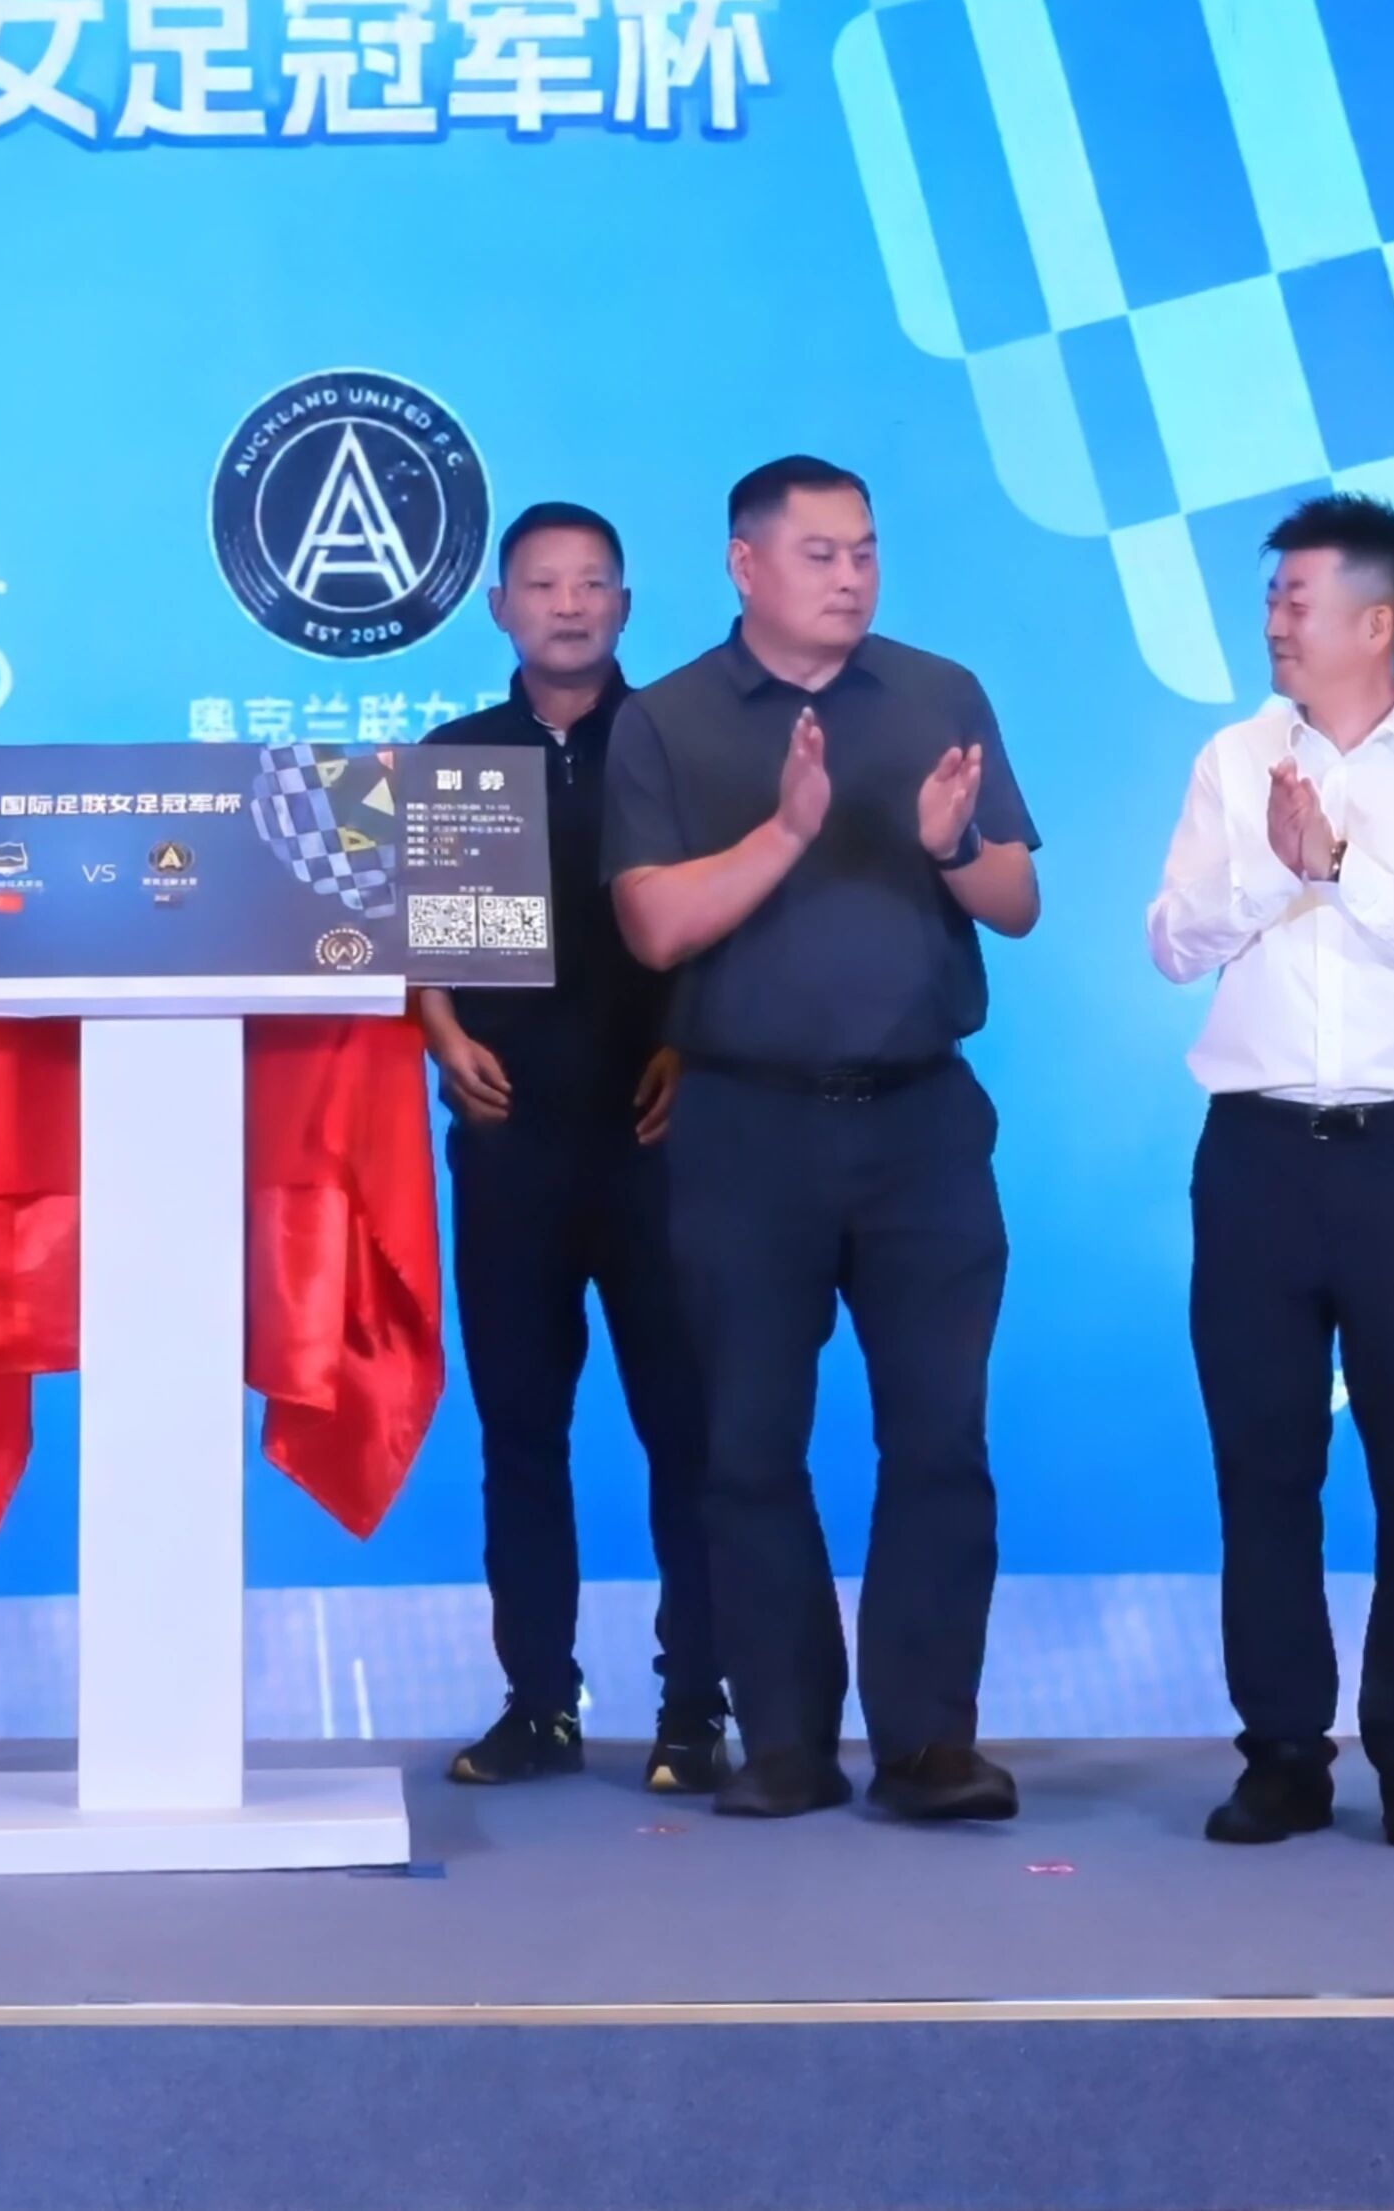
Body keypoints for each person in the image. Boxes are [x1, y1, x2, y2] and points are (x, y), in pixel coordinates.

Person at [604, 455, 1039, 1824]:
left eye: (864, 550)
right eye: (819, 553)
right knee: (746, 1443)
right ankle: (784, 1740)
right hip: (743, 1126)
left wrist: (951, 845)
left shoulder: (938, 692)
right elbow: (652, 926)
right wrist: (788, 832)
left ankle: (927, 1743)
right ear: (744, 564)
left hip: (920, 1122)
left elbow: (1016, 899)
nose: (851, 576)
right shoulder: (667, 718)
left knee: (939, 1438)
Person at [1148, 495, 1394, 1851]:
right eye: (1270, 597)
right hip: (1254, 1154)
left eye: (1294, 599)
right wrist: (1274, 870)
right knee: (1262, 1465)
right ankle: (1281, 1750)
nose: (1272, 621)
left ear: (1377, 619)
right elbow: (1171, 940)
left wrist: (1344, 865)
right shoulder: (1231, 756)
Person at [416, 501, 724, 1796]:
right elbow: (416, 934)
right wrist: (440, 1033)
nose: (567, 603)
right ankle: (537, 1700)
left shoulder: (677, 745)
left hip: (659, 1136)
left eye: (591, 581)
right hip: (508, 1139)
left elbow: (721, 924)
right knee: (520, 1434)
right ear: (499, 606)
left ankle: (693, 1704)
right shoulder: (454, 756)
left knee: (688, 1431)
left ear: (624, 604)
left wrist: (691, 1046)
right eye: (541, 583)